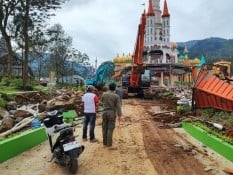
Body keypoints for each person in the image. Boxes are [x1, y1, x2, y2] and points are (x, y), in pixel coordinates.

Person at [101, 82, 122, 149]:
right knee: (110, 128)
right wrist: (119, 115)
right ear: (115, 88)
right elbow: (118, 107)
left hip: (104, 112)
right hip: (111, 113)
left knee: (104, 128)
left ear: (109, 87)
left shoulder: (104, 94)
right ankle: (109, 144)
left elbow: (102, 102)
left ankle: (104, 143)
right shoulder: (116, 96)